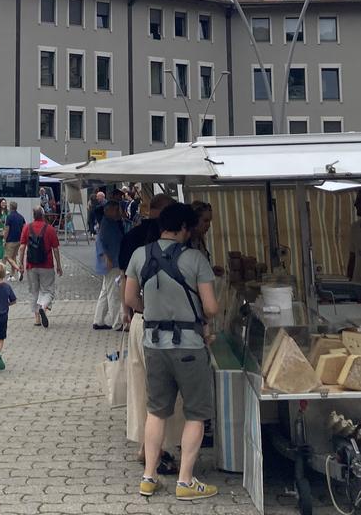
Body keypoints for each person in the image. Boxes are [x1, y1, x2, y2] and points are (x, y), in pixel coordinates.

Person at [124, 202, 219, 501]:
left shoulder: (140, 255)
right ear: (185, 228)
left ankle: (148, 477)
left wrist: (152, 310)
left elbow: (129, 298)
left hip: (153, 342)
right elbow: (211, 308)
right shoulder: (196, 259)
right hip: (189, 346)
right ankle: (185, 481)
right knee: (195, 413)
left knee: (156, 410)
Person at [120, 193, 181, 469]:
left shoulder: (134, 239)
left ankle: (147, 446)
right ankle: (160, 449)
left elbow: (126, 285)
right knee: (164, 391)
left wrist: (134, 308)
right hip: (163, 326)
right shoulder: (177, 247)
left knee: (142, 386)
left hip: (139, 321)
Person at [20, 205, 62, 328]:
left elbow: (22, 247)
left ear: (34, 216)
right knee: (48, 290)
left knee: (34, 291)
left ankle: (37, 319)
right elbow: (55, 249)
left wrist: (20, 263)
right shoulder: (50, 229)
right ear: (43, 215)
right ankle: (43, 307)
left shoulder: (27, 227)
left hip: (31, 265)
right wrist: (58, 265)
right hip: (47, 265)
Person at [94, 201, 130, 330]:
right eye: (116, 210)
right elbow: (100, 242)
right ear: (108, 210)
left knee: (105, 291)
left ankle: (98, 320)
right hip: (112, 262)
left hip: (112, 261)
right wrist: (106, 257)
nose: (118, 212)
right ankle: (117, 323)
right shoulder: (107, 224)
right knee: (113, 293)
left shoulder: (110, 223)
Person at [3, 201, 26, 280]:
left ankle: (19, 270)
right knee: (13, 257)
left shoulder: (9, 217)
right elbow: (24, 228)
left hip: (10, 240)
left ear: (10, 207)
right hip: (19, 240)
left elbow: (7, 229)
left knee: (7, 257)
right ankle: (12, 275)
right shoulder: (21, 217)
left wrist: (4, 240)